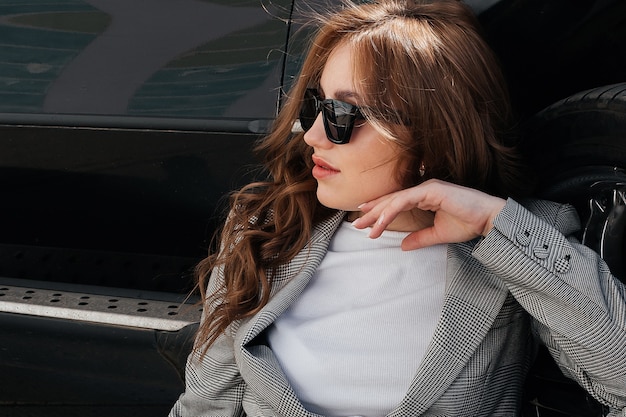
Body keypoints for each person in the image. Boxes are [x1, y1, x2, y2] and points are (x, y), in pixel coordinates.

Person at [169, 0, 626, 416]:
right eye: (315, 106)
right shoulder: (268, 229)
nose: (311, 137)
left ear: (430, 136)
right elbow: (205, 405)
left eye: (343, 116)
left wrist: (492, 224)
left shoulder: (517, 244)